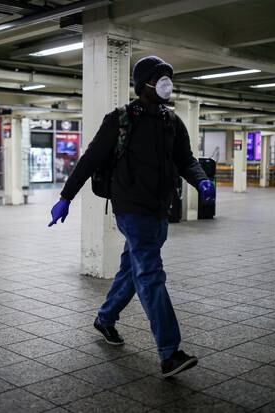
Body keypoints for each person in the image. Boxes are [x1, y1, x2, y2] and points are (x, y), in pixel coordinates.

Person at [48, 56, 215, 378]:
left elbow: (186, 160)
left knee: (132, 268)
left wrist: (201, 179)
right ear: (144, 85)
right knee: (151, 274)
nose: (166, 82)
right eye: (160, 77)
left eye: (169, 76)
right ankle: (170, 353)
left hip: (159, 207)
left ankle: (105, 318)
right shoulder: (121, 120)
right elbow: (90, 159)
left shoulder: (172, 122)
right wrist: (65, 197)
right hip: (130, 208)